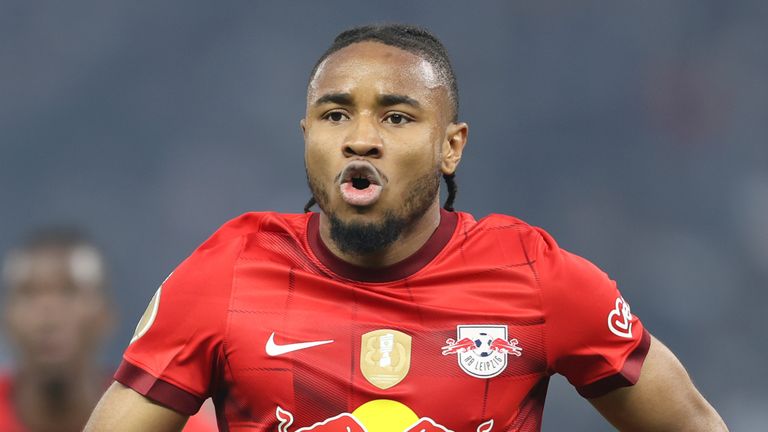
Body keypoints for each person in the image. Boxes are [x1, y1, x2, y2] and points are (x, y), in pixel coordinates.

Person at [85, 24, 727, 431]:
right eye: (336, 115)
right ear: (307, 135)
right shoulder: (227, 275)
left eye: (396, 118)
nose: (361, 139)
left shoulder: (535, 278)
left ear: (451, 146)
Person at [1, 227, 216, 432]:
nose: (48, 315)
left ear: (105, 315)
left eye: (69, 292)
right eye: (29, 294)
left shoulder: (171, 424)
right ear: (6, 318)